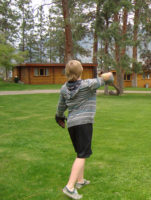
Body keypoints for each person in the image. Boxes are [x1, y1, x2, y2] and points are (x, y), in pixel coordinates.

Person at [55, 60, 113, 199]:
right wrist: (102, 75)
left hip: (72, 125)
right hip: (84, 124)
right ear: (81, 71)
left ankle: (80, 181)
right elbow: (110, 78)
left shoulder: (64, 88)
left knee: (80, 152)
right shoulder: (88, 84)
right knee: (82, 154)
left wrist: (59, 117)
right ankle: (69, 187)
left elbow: (60, 107)